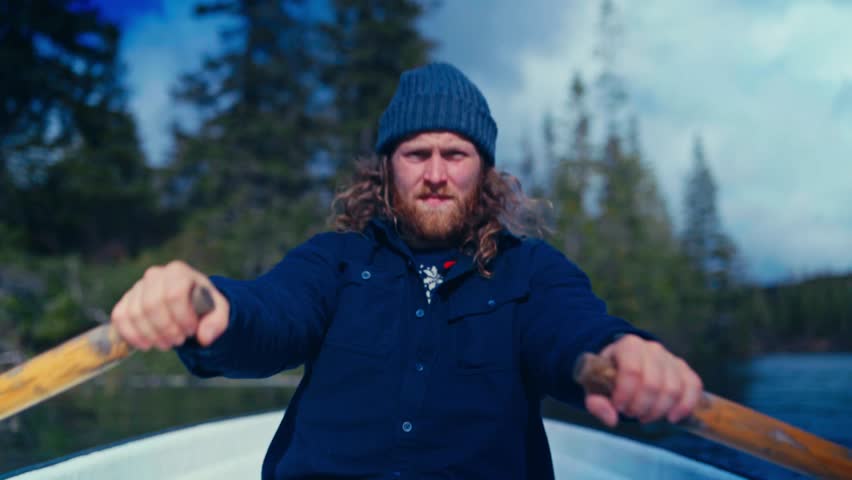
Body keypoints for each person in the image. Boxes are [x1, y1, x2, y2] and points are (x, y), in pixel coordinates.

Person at [111, 62, 703, 480]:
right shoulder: (336, 262)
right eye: (418, 154)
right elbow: (269, 316)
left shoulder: (532, 274)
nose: (437, 173)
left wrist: (622, 355)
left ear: (485, 171)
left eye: (456, 154)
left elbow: (576, 334)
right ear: (387, 169)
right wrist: (208, 305)